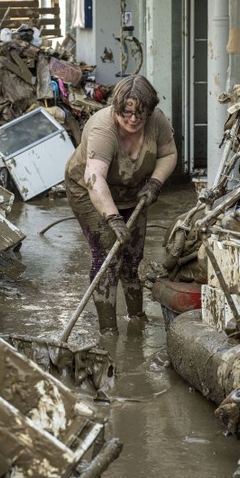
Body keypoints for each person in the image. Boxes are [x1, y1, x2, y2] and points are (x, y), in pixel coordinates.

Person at [64, 74, 178, 334]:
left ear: (150, 110)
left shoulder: (156, 120)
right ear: (116, 108)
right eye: (126, 113)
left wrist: (155, 183)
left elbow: (169, 153)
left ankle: (136, 316)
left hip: (134, 190)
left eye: (140, 113)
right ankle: (108, 330)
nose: (134, 119)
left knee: (134, 256)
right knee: (108, 253)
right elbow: (95, 180)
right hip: (89, 190)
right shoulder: (103, 130)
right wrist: (113, 218)